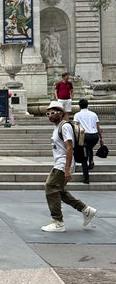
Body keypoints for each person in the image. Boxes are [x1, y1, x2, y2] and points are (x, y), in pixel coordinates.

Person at [42, 101, 97, 232]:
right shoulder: (57, 127)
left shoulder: (64, 126)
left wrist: (67, 169)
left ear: (61, 113)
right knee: (59, 191)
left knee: (50, 186)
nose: (50, 115)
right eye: (48, 113)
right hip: (60, 163)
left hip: (63, 164)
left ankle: (58, 222)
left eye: (53, 113)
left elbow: (69, 147)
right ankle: (86, 210)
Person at [74, 99, 104, 184]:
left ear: (79, 106)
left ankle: (86, 178)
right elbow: (97, 127)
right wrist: (101, 138)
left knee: (83, 157)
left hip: (84, 135)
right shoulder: (93, 114)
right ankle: (91, 160)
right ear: (87, 105)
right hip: (94, 136)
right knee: (89, 148)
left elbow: (75, 126)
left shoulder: (77, 115)